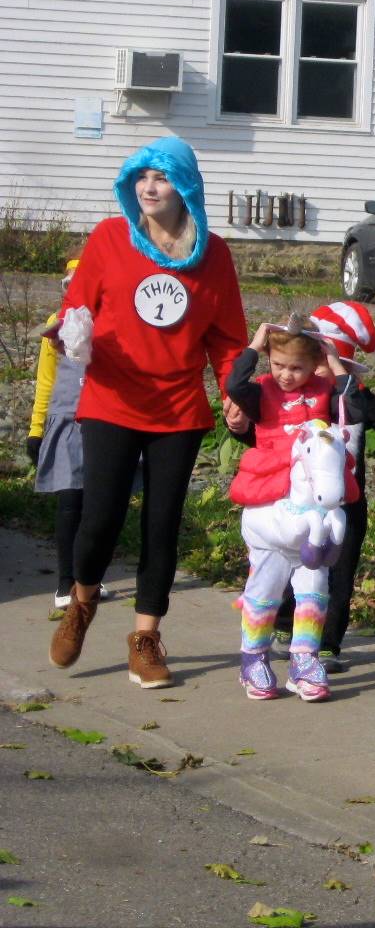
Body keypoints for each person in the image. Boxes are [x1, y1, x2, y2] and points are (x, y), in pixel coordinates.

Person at [48, 136, 247, 689]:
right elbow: (76, 309)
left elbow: (227, 339)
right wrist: (67, 334)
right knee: (100, 520)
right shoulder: (111, 238)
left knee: (161, 526)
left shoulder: (214, 255)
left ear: (185, 187)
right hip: (111, 399)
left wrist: (234, 392)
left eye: (161, 178)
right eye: (141, 177)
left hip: (178, 409)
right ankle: (82, 602)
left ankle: (146, 637)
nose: (149, 188)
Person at [222, 301, 375, 673]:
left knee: (338, 570)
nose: (293, 375)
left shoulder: (340, 396)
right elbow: (260, 423)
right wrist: (241, 426)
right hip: (287, 496)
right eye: (285, 365)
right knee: (284, 565)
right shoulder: (279, 393)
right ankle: (281, 626)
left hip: (343, 497)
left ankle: (325, 645)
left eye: (305, 366)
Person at [226, 318, 357, 702]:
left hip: (313, 487)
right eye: (279, 364)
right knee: (265, 589)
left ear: (313, 364)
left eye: (296, 367)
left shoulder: (322, 391)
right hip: (271, 489)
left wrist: (334, 362)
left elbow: (353, 402)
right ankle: (253, 657)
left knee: (314, 587)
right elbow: (234, 385)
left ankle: (304, 658)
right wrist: (255, 344)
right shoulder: (262, 390)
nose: (285, 375)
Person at [27, 257, 109, 611]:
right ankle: (65, 582)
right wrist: (36, 429)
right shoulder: (54, 326)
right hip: (66, 420)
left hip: (102, 420)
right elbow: (46, 380)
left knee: (97, 506)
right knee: (69, 502)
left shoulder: (108, 324)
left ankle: (88, 577)